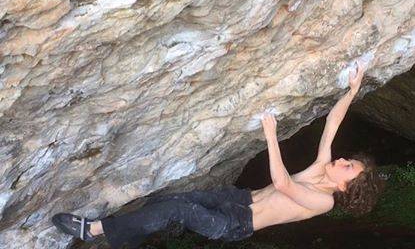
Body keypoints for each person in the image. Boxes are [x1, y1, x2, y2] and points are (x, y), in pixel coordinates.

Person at [52, 61, 384, 248]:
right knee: (166, 202)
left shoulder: (324, 201)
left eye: (349, 167)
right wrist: (352, 90)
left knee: (176, 208)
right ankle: (130, 235)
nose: (342, 161)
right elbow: (332, 122)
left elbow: (283, 185)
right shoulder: (322, 167)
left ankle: (93, 230)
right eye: (348, 160)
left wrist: (271, 135)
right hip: (237, 198)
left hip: (235, 223)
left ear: (347, 187)